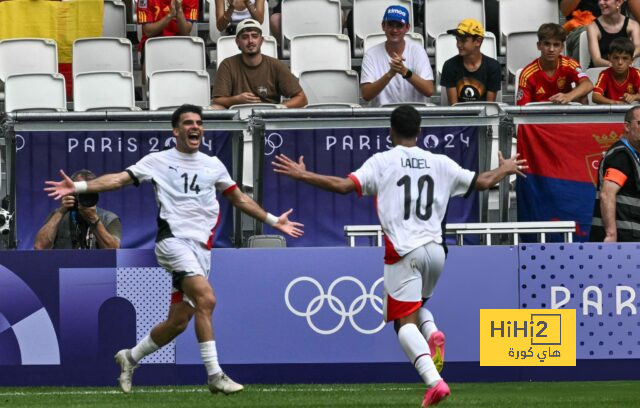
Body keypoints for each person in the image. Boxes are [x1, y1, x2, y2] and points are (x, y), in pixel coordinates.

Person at [272, 106, 527, 407]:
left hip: (404, 252)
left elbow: (343, 186)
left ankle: (434, 382)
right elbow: (484, 182)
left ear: (390, 131)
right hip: (436, 251)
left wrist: (303, 175)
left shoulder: (383, 161)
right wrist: (506, 167)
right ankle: (432, 332)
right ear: (420, 131)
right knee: (418, 310)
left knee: (402, 324)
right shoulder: (440, 162)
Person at [44, 104, 304, 394]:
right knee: (207, 298)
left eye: (199, 123)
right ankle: (215, 375)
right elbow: (118, 179)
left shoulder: (213, 164)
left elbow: (240, 199)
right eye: (189, 123)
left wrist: (272, 220)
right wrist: (80, 188)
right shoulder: (158, 160)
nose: (195, 127)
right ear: (176, 131)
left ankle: (130, 358)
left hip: (201, 250)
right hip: (172, 242)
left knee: (178, 322)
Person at [212, 19, 307, 108]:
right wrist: (236, 100)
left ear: (261, 41)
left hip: (270, 118)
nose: (250, 41)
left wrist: (279, 108)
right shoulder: (227, 65)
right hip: (238, 118)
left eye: (255, 36)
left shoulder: (276, 65)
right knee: (214, 108)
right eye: (245, 37)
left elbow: (302, 98)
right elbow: (217, 100)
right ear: (237, 42)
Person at [360, 5, 434, 107]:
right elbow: (366, 95)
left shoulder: (418, 51)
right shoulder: (371, 54)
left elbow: (429, 90)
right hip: (383, 116)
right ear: (383, 26)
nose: (394, 30)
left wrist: (404, 71)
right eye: (390, 25)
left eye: (399, 25)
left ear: (407, 27)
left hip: (413, 114)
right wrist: (390, 74)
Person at [34, 169, 121, 250]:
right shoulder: (58, 216)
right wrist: (61, 211)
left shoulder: (109, 218)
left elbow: (114, 252)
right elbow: (40, 247)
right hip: (63, 265)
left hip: (96, 265)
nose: (84, 196)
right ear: (71, 192)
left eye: (89, 192)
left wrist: (94, 218)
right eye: (80, 192)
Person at [590, 105, 640, 242]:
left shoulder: (633, 155)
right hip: (622, 244)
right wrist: (611, 235)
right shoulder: (621, 156)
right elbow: (607, 194)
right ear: (627, 127)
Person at [517, 23, 593, 105]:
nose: (551, 49)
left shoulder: (570, 64)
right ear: (539, 46)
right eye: (547, 44)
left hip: (566, 114)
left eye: (556, 45)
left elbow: (588, 84)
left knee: (582, 95)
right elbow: (522, 109)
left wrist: (568, 96)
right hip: (538, 116)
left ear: (562, 48)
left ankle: (581, 118)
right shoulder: (527, 74)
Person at [440, 18, 501, 105]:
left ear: (477, 41)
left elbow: (489, 107)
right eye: (457, 40)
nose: (458, 44)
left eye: (463, 41)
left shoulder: (493, 67)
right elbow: (453, 107)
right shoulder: (449, 65)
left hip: (484, 118)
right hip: (459, 117)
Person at [586, 0, 640, 67]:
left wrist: (627, 58)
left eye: (605, 0)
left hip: (624, 70)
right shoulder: (593, 27)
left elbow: (638, 47)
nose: (601, 3)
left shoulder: (632, 25)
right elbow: (596, 60)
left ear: (619, 2)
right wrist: (616, 65)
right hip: (600, 71)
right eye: (599, 0)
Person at [592, 37, 640, 104]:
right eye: (616, 58)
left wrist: (634, 97)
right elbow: (595, 96)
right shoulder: (605, 74)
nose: (620, 62)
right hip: (610, 113)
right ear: (609, 58)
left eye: (625, 58)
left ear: (631, 60)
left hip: (632, 113)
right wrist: (614, 103)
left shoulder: (636, 73)